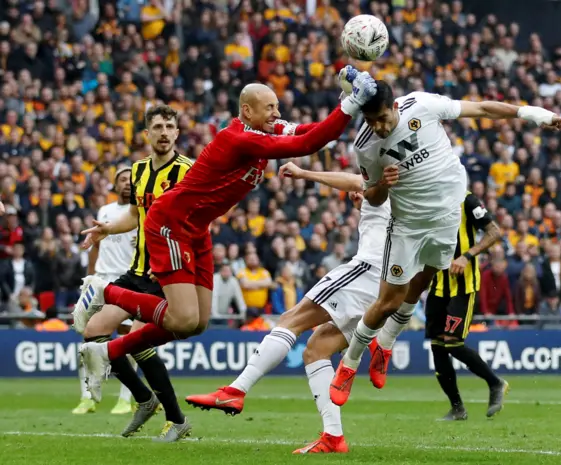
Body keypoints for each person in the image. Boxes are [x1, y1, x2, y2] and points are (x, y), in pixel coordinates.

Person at [75, 71, 378, 402]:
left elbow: (311, 133)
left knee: (197, 324)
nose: (277, 115)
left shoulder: (264, 128)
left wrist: (346, 105)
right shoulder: (239, 138)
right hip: (172, 222)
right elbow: (310, 144)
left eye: (277, 107)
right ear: (247, 111)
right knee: (182, 317)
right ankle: (104, 291)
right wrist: (351, 102)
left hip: (197, 230)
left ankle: (108, 352)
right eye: (269, 108)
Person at [330, 75, 561, 407]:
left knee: (425, 278)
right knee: (387, 301)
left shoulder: (422, 106)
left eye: (382, 119)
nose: (379, 127)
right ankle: (350, 364)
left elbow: (482, 107)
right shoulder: (365, 145)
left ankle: (385, 343)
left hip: (446, 219)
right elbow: (372, 197)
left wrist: (533, 114)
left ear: (395, 106)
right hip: (407, 225)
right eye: (371, 121)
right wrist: (383, 183)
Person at [185, 162, 395, 454]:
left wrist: (305, 173)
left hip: (367, 270)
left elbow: (354, 181)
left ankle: (235, 390)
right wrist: (367, 210)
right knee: (317, 349)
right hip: (385, 279)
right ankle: (333, 437)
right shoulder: (411, 185)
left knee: (290, 319)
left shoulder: (388, 168)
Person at [74, 105, 193, 442]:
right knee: (93, 333)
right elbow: (134, 214)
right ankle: (144, 399)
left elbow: (196, 220)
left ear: (177, 133)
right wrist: (106, 230)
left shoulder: (187, 171)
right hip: (136, 270)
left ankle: (176, 419)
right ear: (146, 134)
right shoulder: (139, 170)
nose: (164, 132)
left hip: (165, 274)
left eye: (170, 126)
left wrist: (174, 262)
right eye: (158, 126)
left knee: (137, 342)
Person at [425, 192, 507, 420]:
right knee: (438, 347)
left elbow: (494, 232)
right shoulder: (426, 197)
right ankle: (457, 408)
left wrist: (467, 256)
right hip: (437, 285)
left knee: (452, 342)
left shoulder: (467, 199)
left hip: (462, 285)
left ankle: (495, 382)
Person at [72, 167, 138, 416]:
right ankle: (88, 396)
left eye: (131, 180)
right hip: (100, 281)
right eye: (122, 179)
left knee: (127, 338)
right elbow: (96, 247)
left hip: (127, 281)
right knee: (87, 339)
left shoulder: (140, 213)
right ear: (114, 184)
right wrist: (88, 278)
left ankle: (125, 397)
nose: (127, 183)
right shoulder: (105, 211)